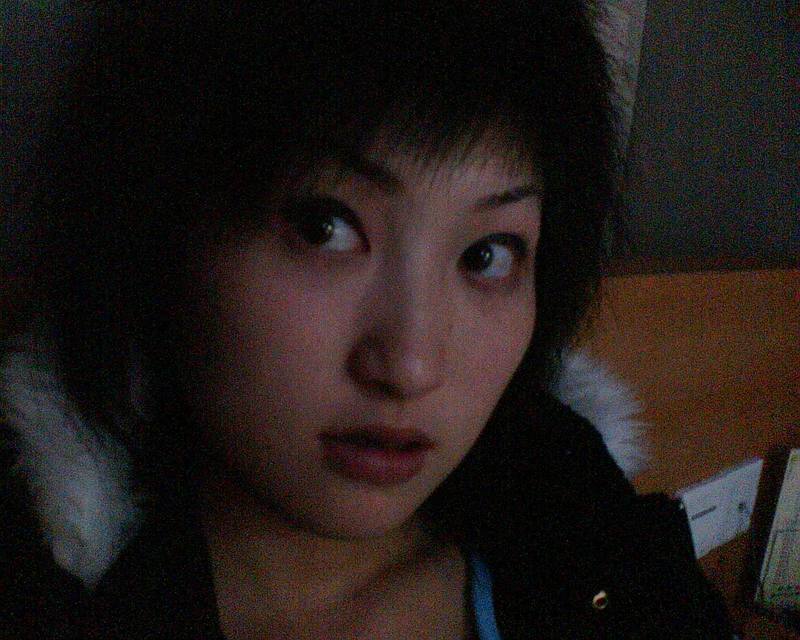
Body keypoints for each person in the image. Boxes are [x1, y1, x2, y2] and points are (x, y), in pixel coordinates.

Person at [0, 2, 733, 638]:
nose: (411, 366)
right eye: (324, 227)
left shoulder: (589, 527)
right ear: (160, 227)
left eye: (486, 255)